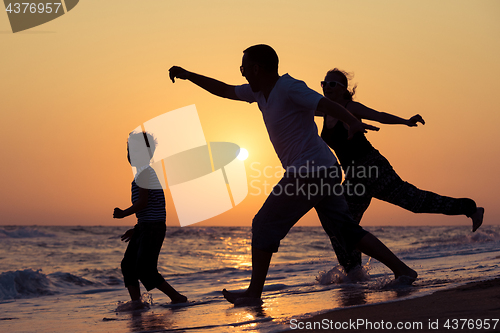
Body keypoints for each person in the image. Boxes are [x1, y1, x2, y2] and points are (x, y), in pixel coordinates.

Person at [169, 44, 417, 306]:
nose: (242, 74)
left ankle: (254, 293)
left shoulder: (289, 87)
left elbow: (324, 104)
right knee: (345, 230)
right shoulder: (259, 93)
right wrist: (188, 75)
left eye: (243, 68)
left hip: (309, 172)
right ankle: (403, 270)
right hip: (324, 169)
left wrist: (353, 121)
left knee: (264, 224)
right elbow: (225, 90)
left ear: (256, 68)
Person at [317, 68, 484, 272]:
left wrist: (405, 121)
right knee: (339, 223)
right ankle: (353, 273)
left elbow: (379, 116)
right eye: (324, 84)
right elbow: (300, 108)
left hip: (373, 168)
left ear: (344, 90)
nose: (327, 88)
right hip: (354, 177)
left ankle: (470, 208)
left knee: (414, 202)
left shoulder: (350, 107)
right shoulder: (325, 110)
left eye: (332, 84)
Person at [113, 131, 187, 307]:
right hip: (146, 226)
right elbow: (148, 208)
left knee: (144, 268)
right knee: (128, 265)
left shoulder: (145, 173)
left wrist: (124, 213)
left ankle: (177, 298)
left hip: (153, 228)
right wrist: (137, 229)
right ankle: (136, 303)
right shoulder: (142, 174)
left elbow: (143, 202)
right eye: (129, 151)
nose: (131, 155)